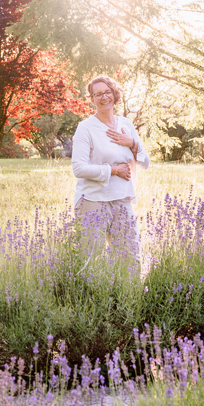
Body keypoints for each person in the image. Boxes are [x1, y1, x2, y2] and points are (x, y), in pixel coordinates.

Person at [72, 75, 150, 274]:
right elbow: (79, 168)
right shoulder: (86, 128)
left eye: (107, 92)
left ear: (115, 95)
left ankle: (129, 300)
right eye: (97, 94)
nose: (104, 97)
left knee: (131, 258)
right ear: (92, 99)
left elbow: (145, 163)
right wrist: (113, 170)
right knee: (90, 260)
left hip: (122, 199)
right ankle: (90, 302)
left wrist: (131, 143)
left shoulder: (126, 124)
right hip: (92, 200)